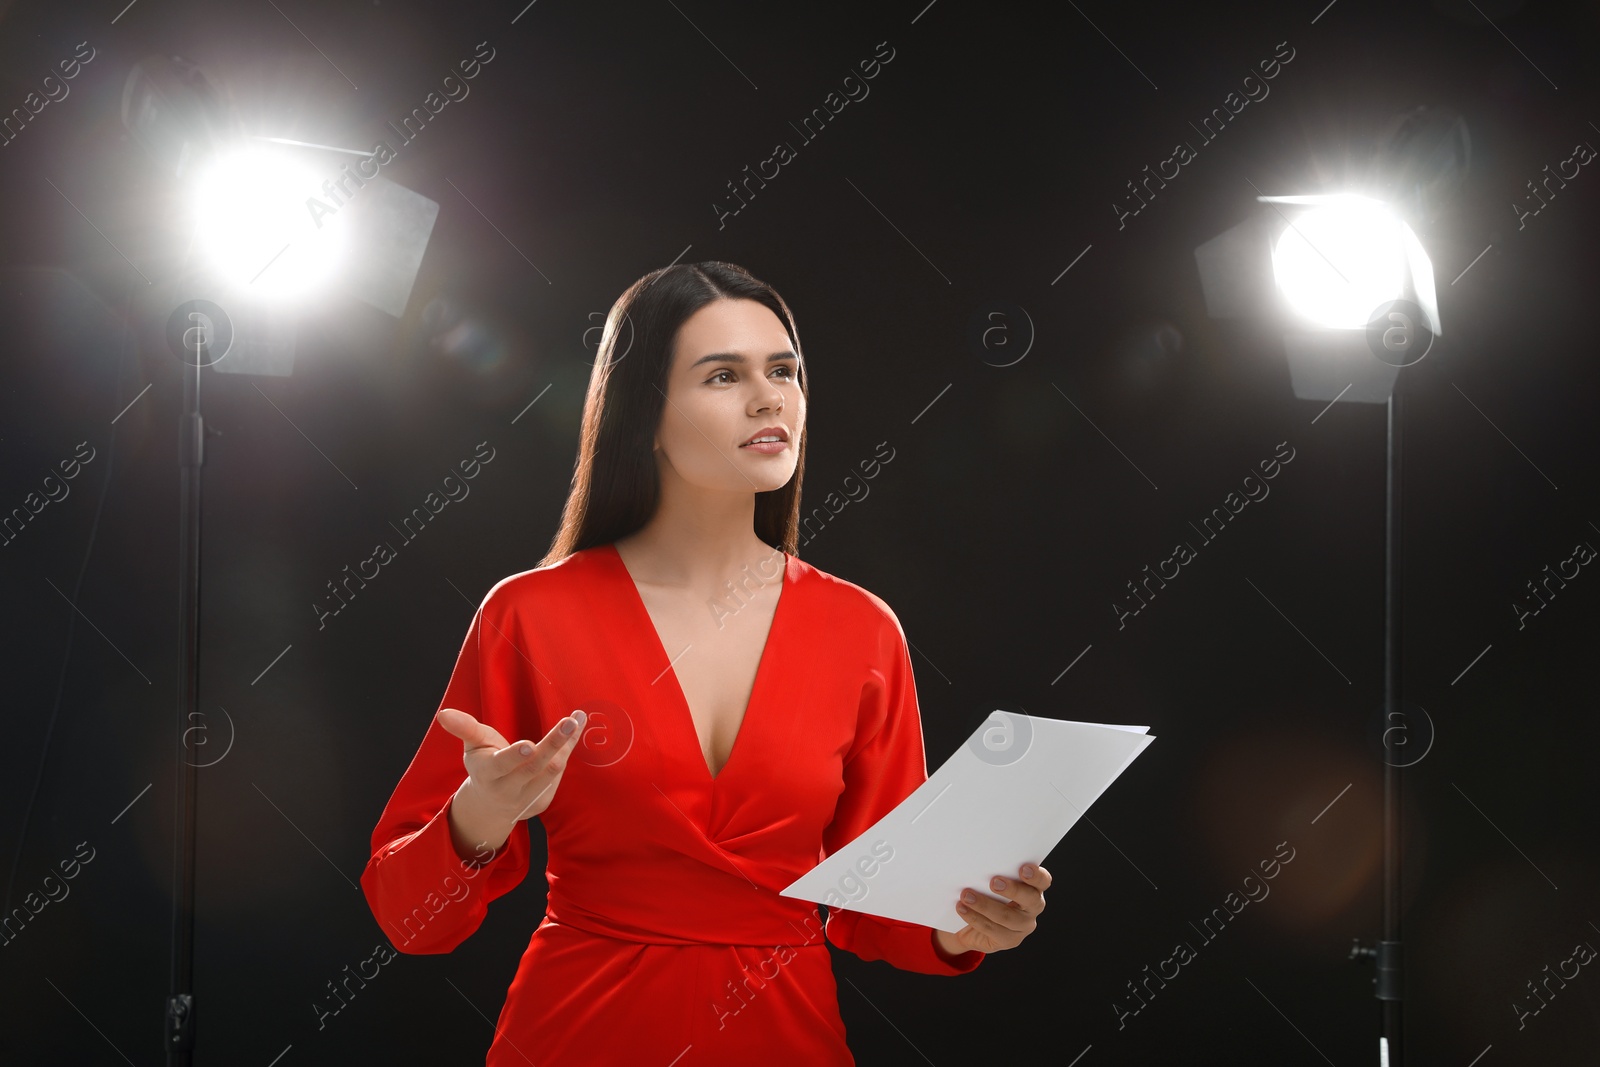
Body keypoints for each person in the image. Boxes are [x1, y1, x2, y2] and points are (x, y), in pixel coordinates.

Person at [359, 261, 1050, 1064]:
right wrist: (478, 816)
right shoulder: (528, 615)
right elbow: (410, 921)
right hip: (576, 1034)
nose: (769, 398)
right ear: (644, 413)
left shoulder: (863, 628)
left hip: (787, 1036)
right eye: (723, 374)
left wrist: (960, 921)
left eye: (784, 370)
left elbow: (878, 900)